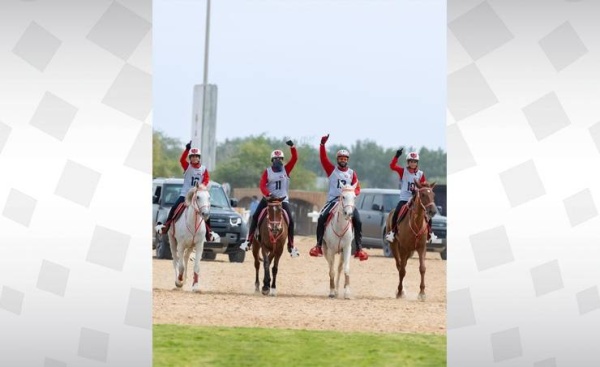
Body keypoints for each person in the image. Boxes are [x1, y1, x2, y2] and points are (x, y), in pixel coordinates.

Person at [308, 134, 368, 261]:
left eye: (345, 158)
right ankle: (318, 246)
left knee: (358, 221)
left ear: (347, 160)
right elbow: (323, 159)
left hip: (347, 202)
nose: (343, 160)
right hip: (333, 201)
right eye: (340, 158)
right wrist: (322, 145)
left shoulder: (352, 173)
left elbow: (357, 188)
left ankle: (359, 249)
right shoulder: (331, 170)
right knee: (321, 218)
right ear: (337, 159)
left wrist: (352, 194)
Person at [240, 140, 299, 257]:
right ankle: (249, 241)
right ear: (272, 161)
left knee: (291, 221)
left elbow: (295, 158)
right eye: (276, 159)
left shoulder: (286, 170)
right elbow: (262, 185)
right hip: (268, 199)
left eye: (280, 159)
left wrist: (292, 147)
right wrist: (268, 194)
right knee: (255, 216)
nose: (278, 161)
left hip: (282, 200)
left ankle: (291, 247)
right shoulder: (267, 172)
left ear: (282, 160)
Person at [156, 141, 216, 242]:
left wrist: (202, 186)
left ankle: (209, 233)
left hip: (197, 195)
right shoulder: (187, 166)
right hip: (186, 194)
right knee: (174, 208)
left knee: (206, 212)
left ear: (199, 158)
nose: (194, 158)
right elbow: (181, 160)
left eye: (196, 156)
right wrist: (187, 149)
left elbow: (206, 179)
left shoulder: (204, 169)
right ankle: (166, 226)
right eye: (192, 156)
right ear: (190, 158)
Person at [384, 149, 432, 242]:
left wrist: (418, 190)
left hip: (416, 200)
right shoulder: (403, 171)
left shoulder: (420, 174)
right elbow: (392, 166)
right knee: (397, 213)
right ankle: (393, 232)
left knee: (428, 214)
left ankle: (429, 234)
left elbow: (423, 187)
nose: (413, 163)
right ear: (408, 162)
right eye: (411, 161)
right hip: (405, 199)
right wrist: (396, 156)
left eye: (414, 162)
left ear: (417, 163)